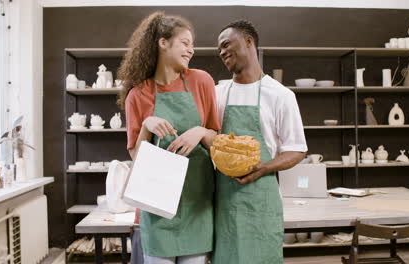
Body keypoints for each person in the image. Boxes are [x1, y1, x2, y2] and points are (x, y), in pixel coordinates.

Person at [117, 11, 220, 264]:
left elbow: (216, 139)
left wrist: (200, 131)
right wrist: (146, 126)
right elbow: (136, 157)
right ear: (163, 43)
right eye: (185, 43)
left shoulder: (201, 81)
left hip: (197, 200)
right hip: (157, 205)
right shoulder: (138, 95)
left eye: (192, 45)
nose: (191, 50)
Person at [213, 20, 308, 264]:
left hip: (261, 202)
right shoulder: (218, 93)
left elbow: (297, 150)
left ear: (249, 42)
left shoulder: (280, 95)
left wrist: (264, 167)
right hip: (223, 202)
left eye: (226, 44)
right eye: (219, 49)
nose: (222, 52)